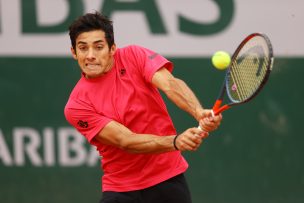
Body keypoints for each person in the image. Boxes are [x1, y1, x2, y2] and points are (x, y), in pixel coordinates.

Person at [64, 12, 222, 203]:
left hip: (167, 179)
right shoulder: (76, 106)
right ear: (74, 52)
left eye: (98, 47)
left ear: (112, 48)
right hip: (121, 189)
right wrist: (175, 141)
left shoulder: (133, 55)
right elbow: (126, 140)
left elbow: (169, 84)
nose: (90, 55)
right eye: (83, 48)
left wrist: (198, 112)